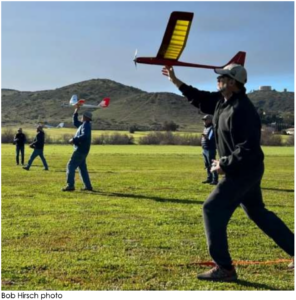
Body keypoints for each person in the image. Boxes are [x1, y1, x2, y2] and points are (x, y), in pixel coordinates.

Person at [162, 63, 294, 281]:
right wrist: (176, 81)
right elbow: (200, 98)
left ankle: (224, 268)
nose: (218, 79)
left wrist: (226, 164)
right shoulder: (222, 102)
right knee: (257, 212)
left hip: (244, 170)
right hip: (245, 169)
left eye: (222, 77)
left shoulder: (243, 109)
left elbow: (248, 146)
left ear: (233, 82)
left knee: (212, 209)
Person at [62, 106, 93, 192]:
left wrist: (74, 139)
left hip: (80, 150)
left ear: (86, 117)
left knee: (70, 166)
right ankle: (88, 186)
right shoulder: (84, 124)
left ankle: (70, 185)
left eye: (83, 116)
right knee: (82, 168)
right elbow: (75, 122)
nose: (81, 117)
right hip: (83, 151)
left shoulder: (86, 125)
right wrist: (76, 111)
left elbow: (84, 136)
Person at [201, 115, 218, 185]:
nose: (204, 121)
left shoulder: (212, 128)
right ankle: (209, 178)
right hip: (205, 149)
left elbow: (210, 138)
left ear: (210, 120)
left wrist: (205, 137)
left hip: (210, 149)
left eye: (205, 120)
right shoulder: (205, 128)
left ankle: (215, 180)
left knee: (212, 165)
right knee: (207, 165)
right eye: (204, 120)